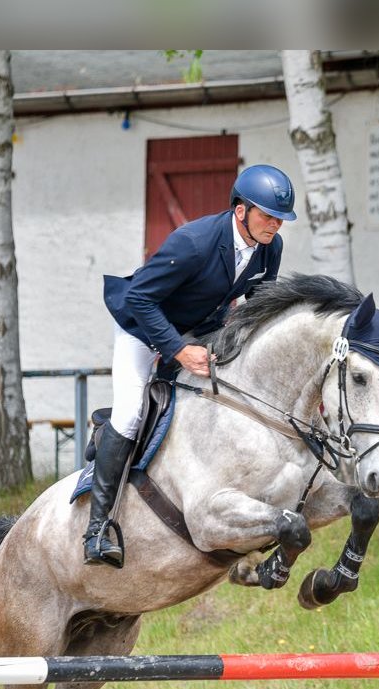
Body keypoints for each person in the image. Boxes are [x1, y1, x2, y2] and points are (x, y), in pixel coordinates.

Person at [85, 164, 297, 567]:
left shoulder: (270, 246)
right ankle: (97, 531)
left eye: (280, 219)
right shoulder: (194, 243)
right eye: (269, 216)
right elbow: (140, 299)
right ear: (241, 211)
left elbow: (260, 302)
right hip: (142, 328)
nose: (275, 225)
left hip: (198, 329)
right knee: (131, 416)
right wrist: (178, 350)